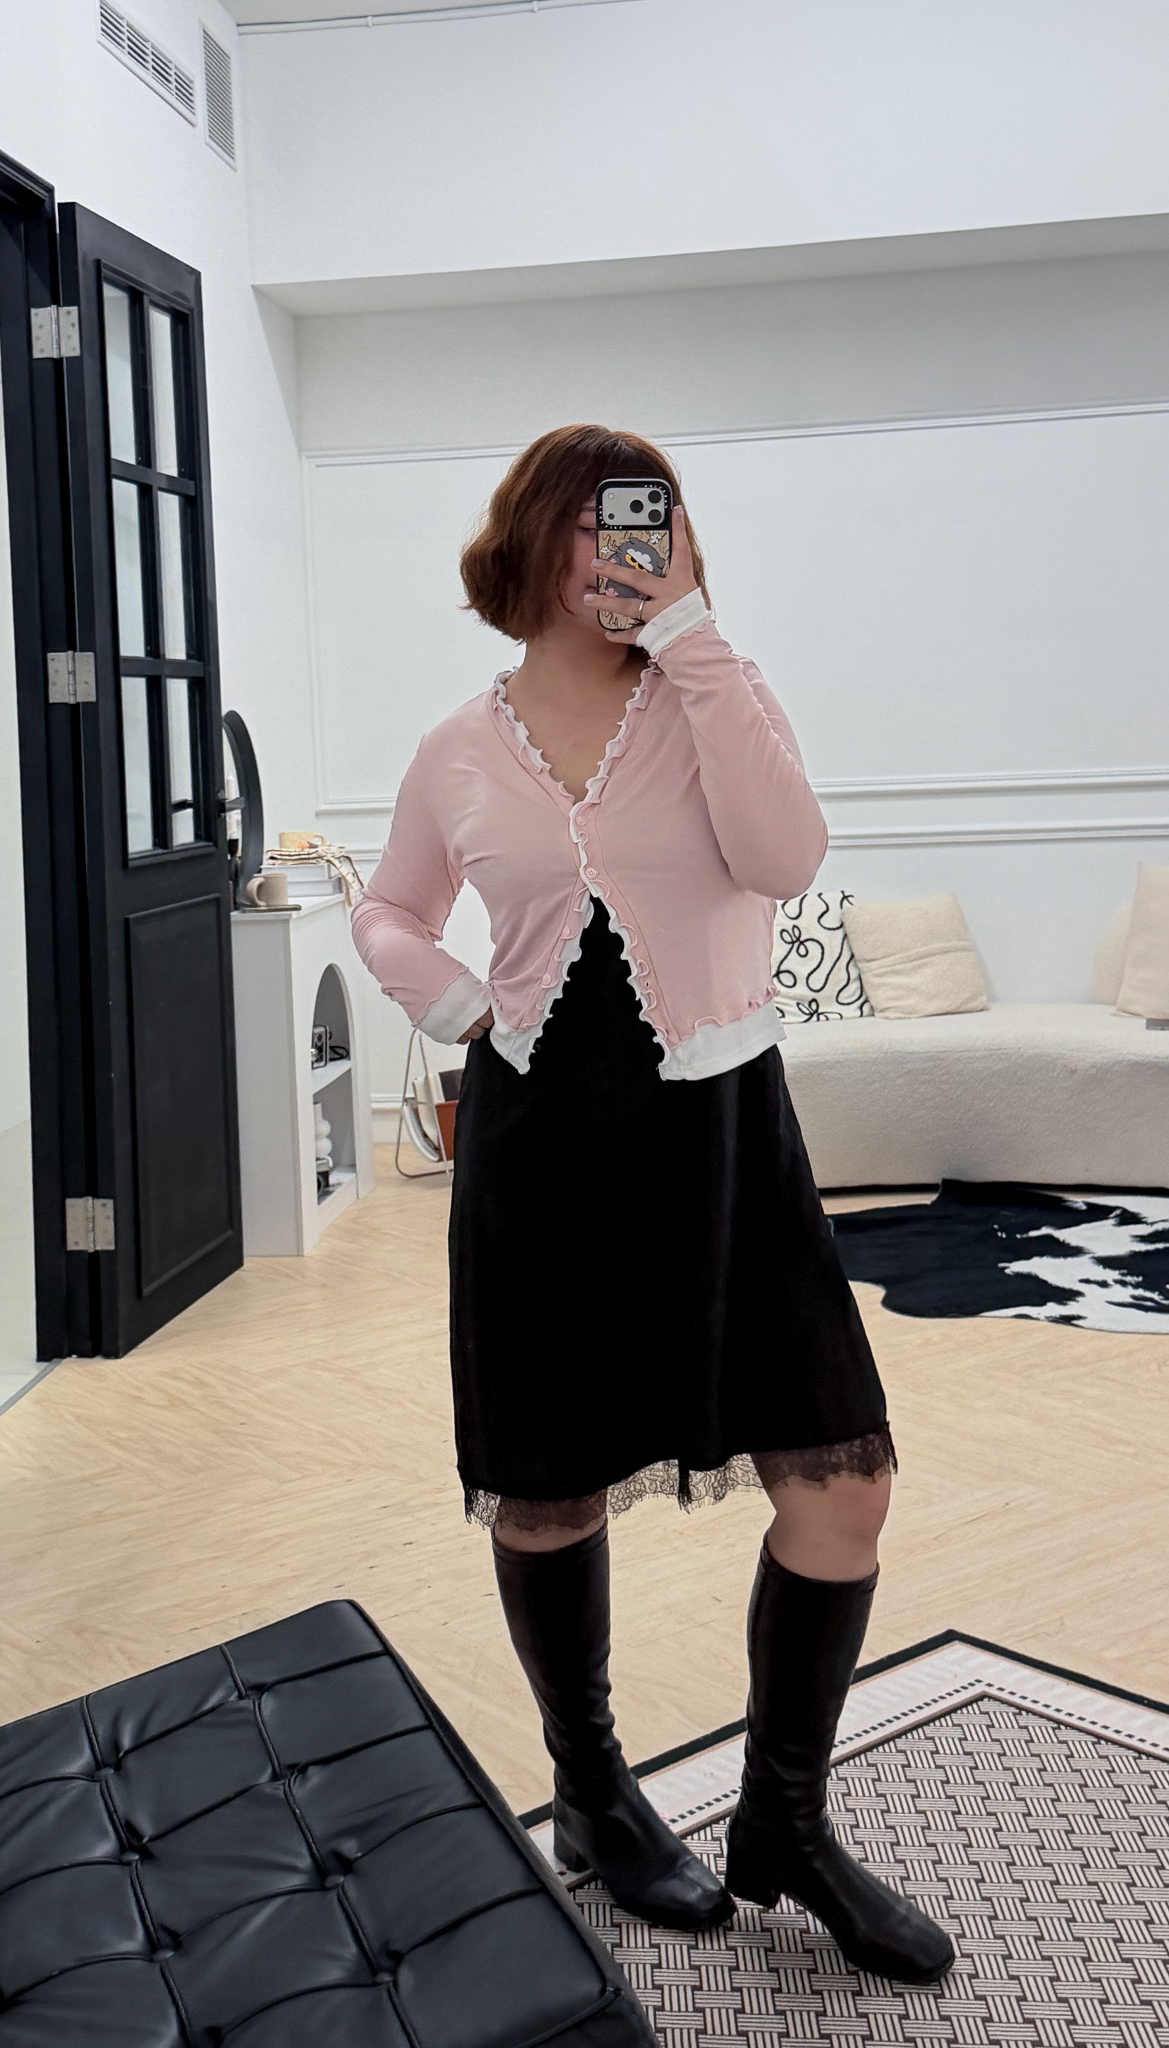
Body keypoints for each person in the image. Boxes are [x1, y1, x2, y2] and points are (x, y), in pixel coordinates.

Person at [350, 424, 953, 1983]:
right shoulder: (456, 748)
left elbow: (787, 856)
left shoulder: (711, 696)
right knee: (547, 1486)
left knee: (843, 1482)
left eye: (658, 522)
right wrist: (460, 1008)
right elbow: (392, 908)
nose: (628, 547)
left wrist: (692, 634)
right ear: (533, 538)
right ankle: (595, 1794)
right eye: (603, 523)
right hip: (543, 1148)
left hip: (727, 1135)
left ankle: (786, 1821)